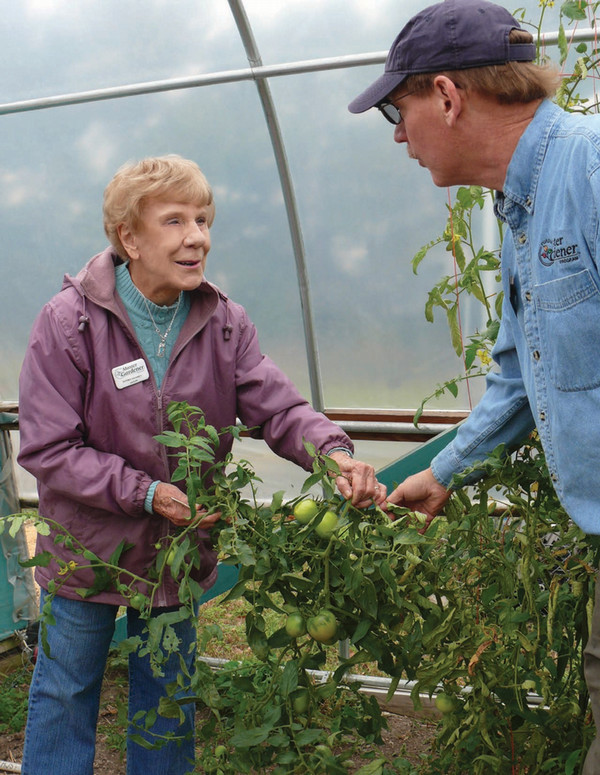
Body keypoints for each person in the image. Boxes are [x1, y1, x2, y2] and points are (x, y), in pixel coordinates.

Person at [17, 154, 386, 775]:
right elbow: (49, 449)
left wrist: (335, 454)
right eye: (175, 221)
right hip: (91, 552)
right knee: (66, 689)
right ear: (129, 238)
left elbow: (279, 407)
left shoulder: (222, 323)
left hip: (177, 553)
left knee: (166, 699)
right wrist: (146, 492)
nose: (197, 237)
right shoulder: (70, 321)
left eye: (204, 220)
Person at [348, 0, 600, 771]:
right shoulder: (521, 203)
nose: (398, 133)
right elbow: (523, 372)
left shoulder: (590, 168)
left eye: (401, 107)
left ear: (449, 97)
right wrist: (444, 469)